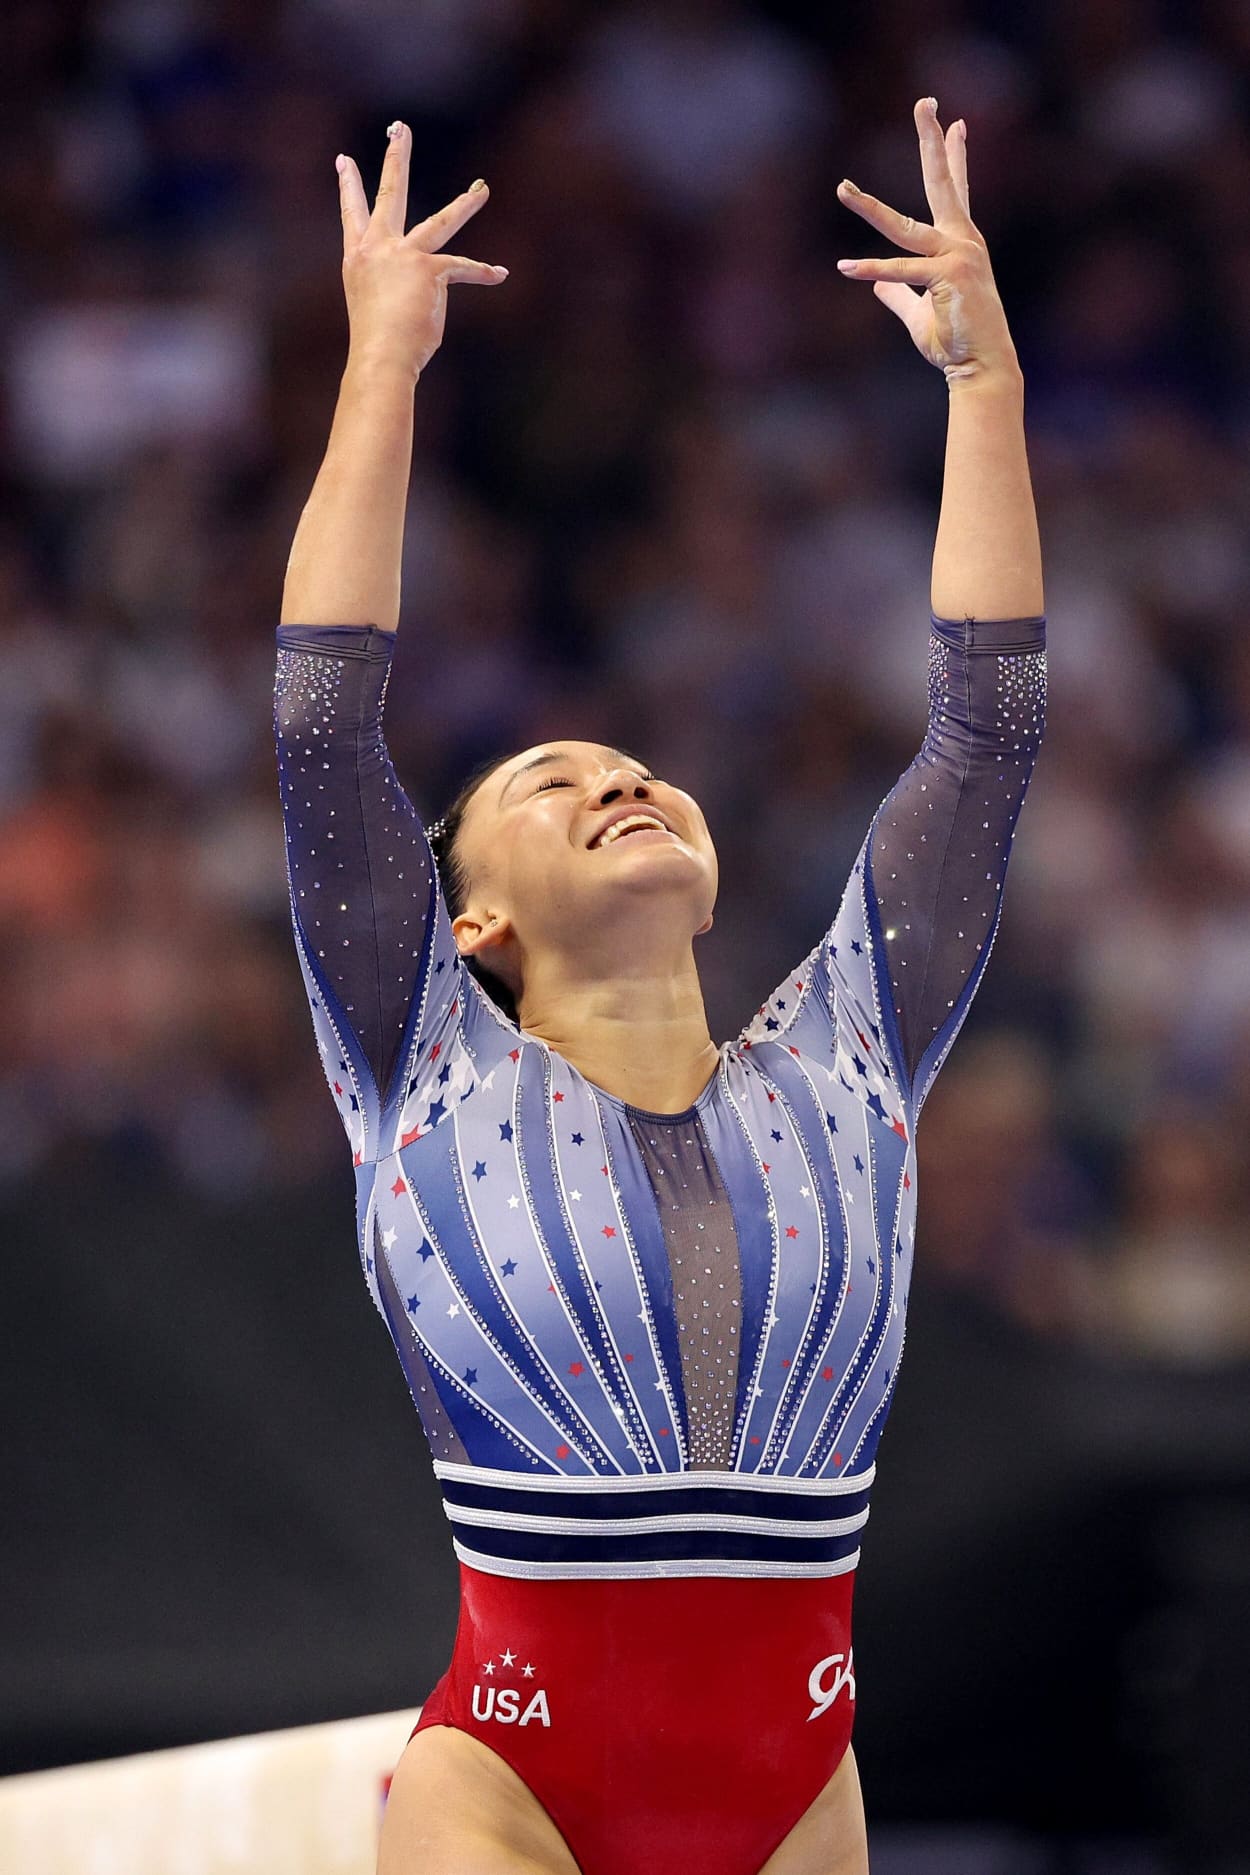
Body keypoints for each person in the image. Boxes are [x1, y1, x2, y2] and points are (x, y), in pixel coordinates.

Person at [274, 97, 1045, 1875]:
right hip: (511, 1785)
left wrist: (981, 392)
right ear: (469, 926)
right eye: (555, 783)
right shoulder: (418, 1057)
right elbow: (323, 727)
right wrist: (381, 366)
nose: (619, 780)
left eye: (635, 767)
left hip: (797, 1792)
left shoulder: (850, 1054)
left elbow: (988, 724)